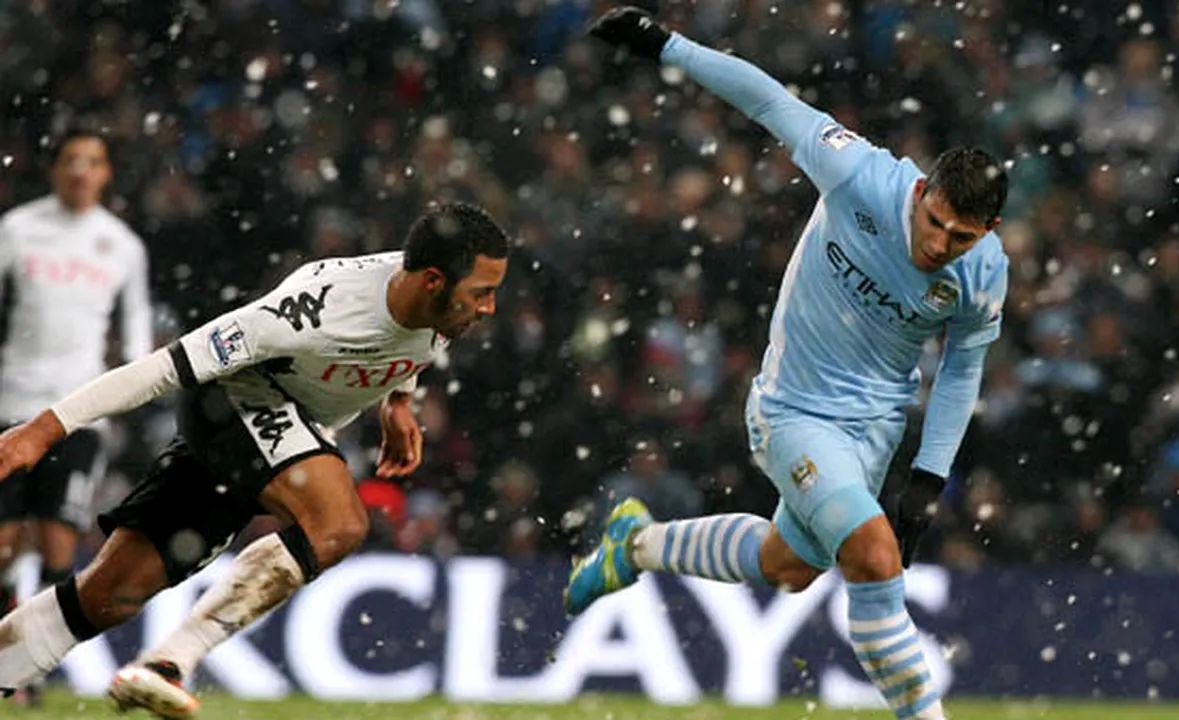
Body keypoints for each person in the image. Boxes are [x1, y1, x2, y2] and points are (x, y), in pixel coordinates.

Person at [565, 9, 1009, 720]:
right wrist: (664, 44)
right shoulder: (860, 175)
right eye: (934, 223)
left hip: (873, 428)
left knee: (788, 566)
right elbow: (767, 97)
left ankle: (636, 544)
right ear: (922, 192)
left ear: (986, 231)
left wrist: (928, 477)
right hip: (793, 411)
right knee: (872, 554)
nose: (939, 244)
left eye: (961, 237)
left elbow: (961, 370)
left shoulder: (983, 273)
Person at [0, 201, 510, 718]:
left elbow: (413, 342)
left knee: (111, 596)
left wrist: (398, 401)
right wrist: (43, 431)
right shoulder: (310, 312)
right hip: (234, 401)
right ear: (431, 281)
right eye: (482, 293)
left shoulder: (441, 308)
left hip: (279, 427)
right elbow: (164, 367)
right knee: (337, 524)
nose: (490, 307)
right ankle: (170, 661)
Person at [0, 126, 153, 705]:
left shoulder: (121, 245)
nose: (81, 172)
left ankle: (21, 666)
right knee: (3, 543)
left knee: (60, 546)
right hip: (11, 406)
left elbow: (135, 329)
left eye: (92, 162)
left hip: (79, 413)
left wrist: (134, 389)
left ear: (107, 172)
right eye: (71, 160)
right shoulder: (17, 229)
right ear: (55, 168)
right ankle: (5, 658)